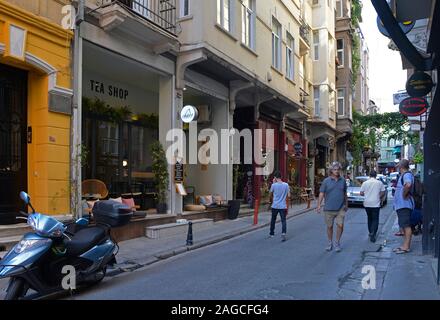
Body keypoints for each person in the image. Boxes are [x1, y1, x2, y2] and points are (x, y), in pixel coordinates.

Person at [317, 162, 348, 252]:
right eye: (335, 169)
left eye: (338, 169)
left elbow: (345, 193)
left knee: (340, 225)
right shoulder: (326, 181)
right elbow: (321, 193)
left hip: (340, 208)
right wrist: (318, 205)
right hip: (328, 208)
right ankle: (330, 242)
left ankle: (337, 242)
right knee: (329, 226)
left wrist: (346, 204)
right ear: (331, 171)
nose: (337, 171)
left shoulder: (343, 181)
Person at [393, 159, 415, 254]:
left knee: (406, 226)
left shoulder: (406, 175)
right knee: (404, 225)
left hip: (404, 205)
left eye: (398, 166)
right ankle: (404, 245)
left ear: (401, 167)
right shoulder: (404, 175)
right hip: (402, 205)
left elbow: (408, 184)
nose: (398, 168)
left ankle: (406, 247)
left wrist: (404, 194)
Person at [360, 171, 386, 243]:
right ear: (376, 175)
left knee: (369, 218)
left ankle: (370, 231)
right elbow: (383, 192)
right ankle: (373, 233)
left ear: (369, 175)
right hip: (375, 203)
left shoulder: (365, 183)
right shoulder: (379, 183)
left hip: (367, 203)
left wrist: (366, 194)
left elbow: (361, 193)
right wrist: (379, 196)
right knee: (375, 218)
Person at [269, 171, 290, 242]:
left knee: (273, 220)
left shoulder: (273, 185)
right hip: (283, 206)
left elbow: (270, 194)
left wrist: (271, 201)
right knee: (283, 220)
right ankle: (283, 233)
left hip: (275, 205)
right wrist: (287, 205)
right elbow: (288, 196)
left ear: (275, 177)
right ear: (281, 177)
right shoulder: (286, 185)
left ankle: (272, 233)